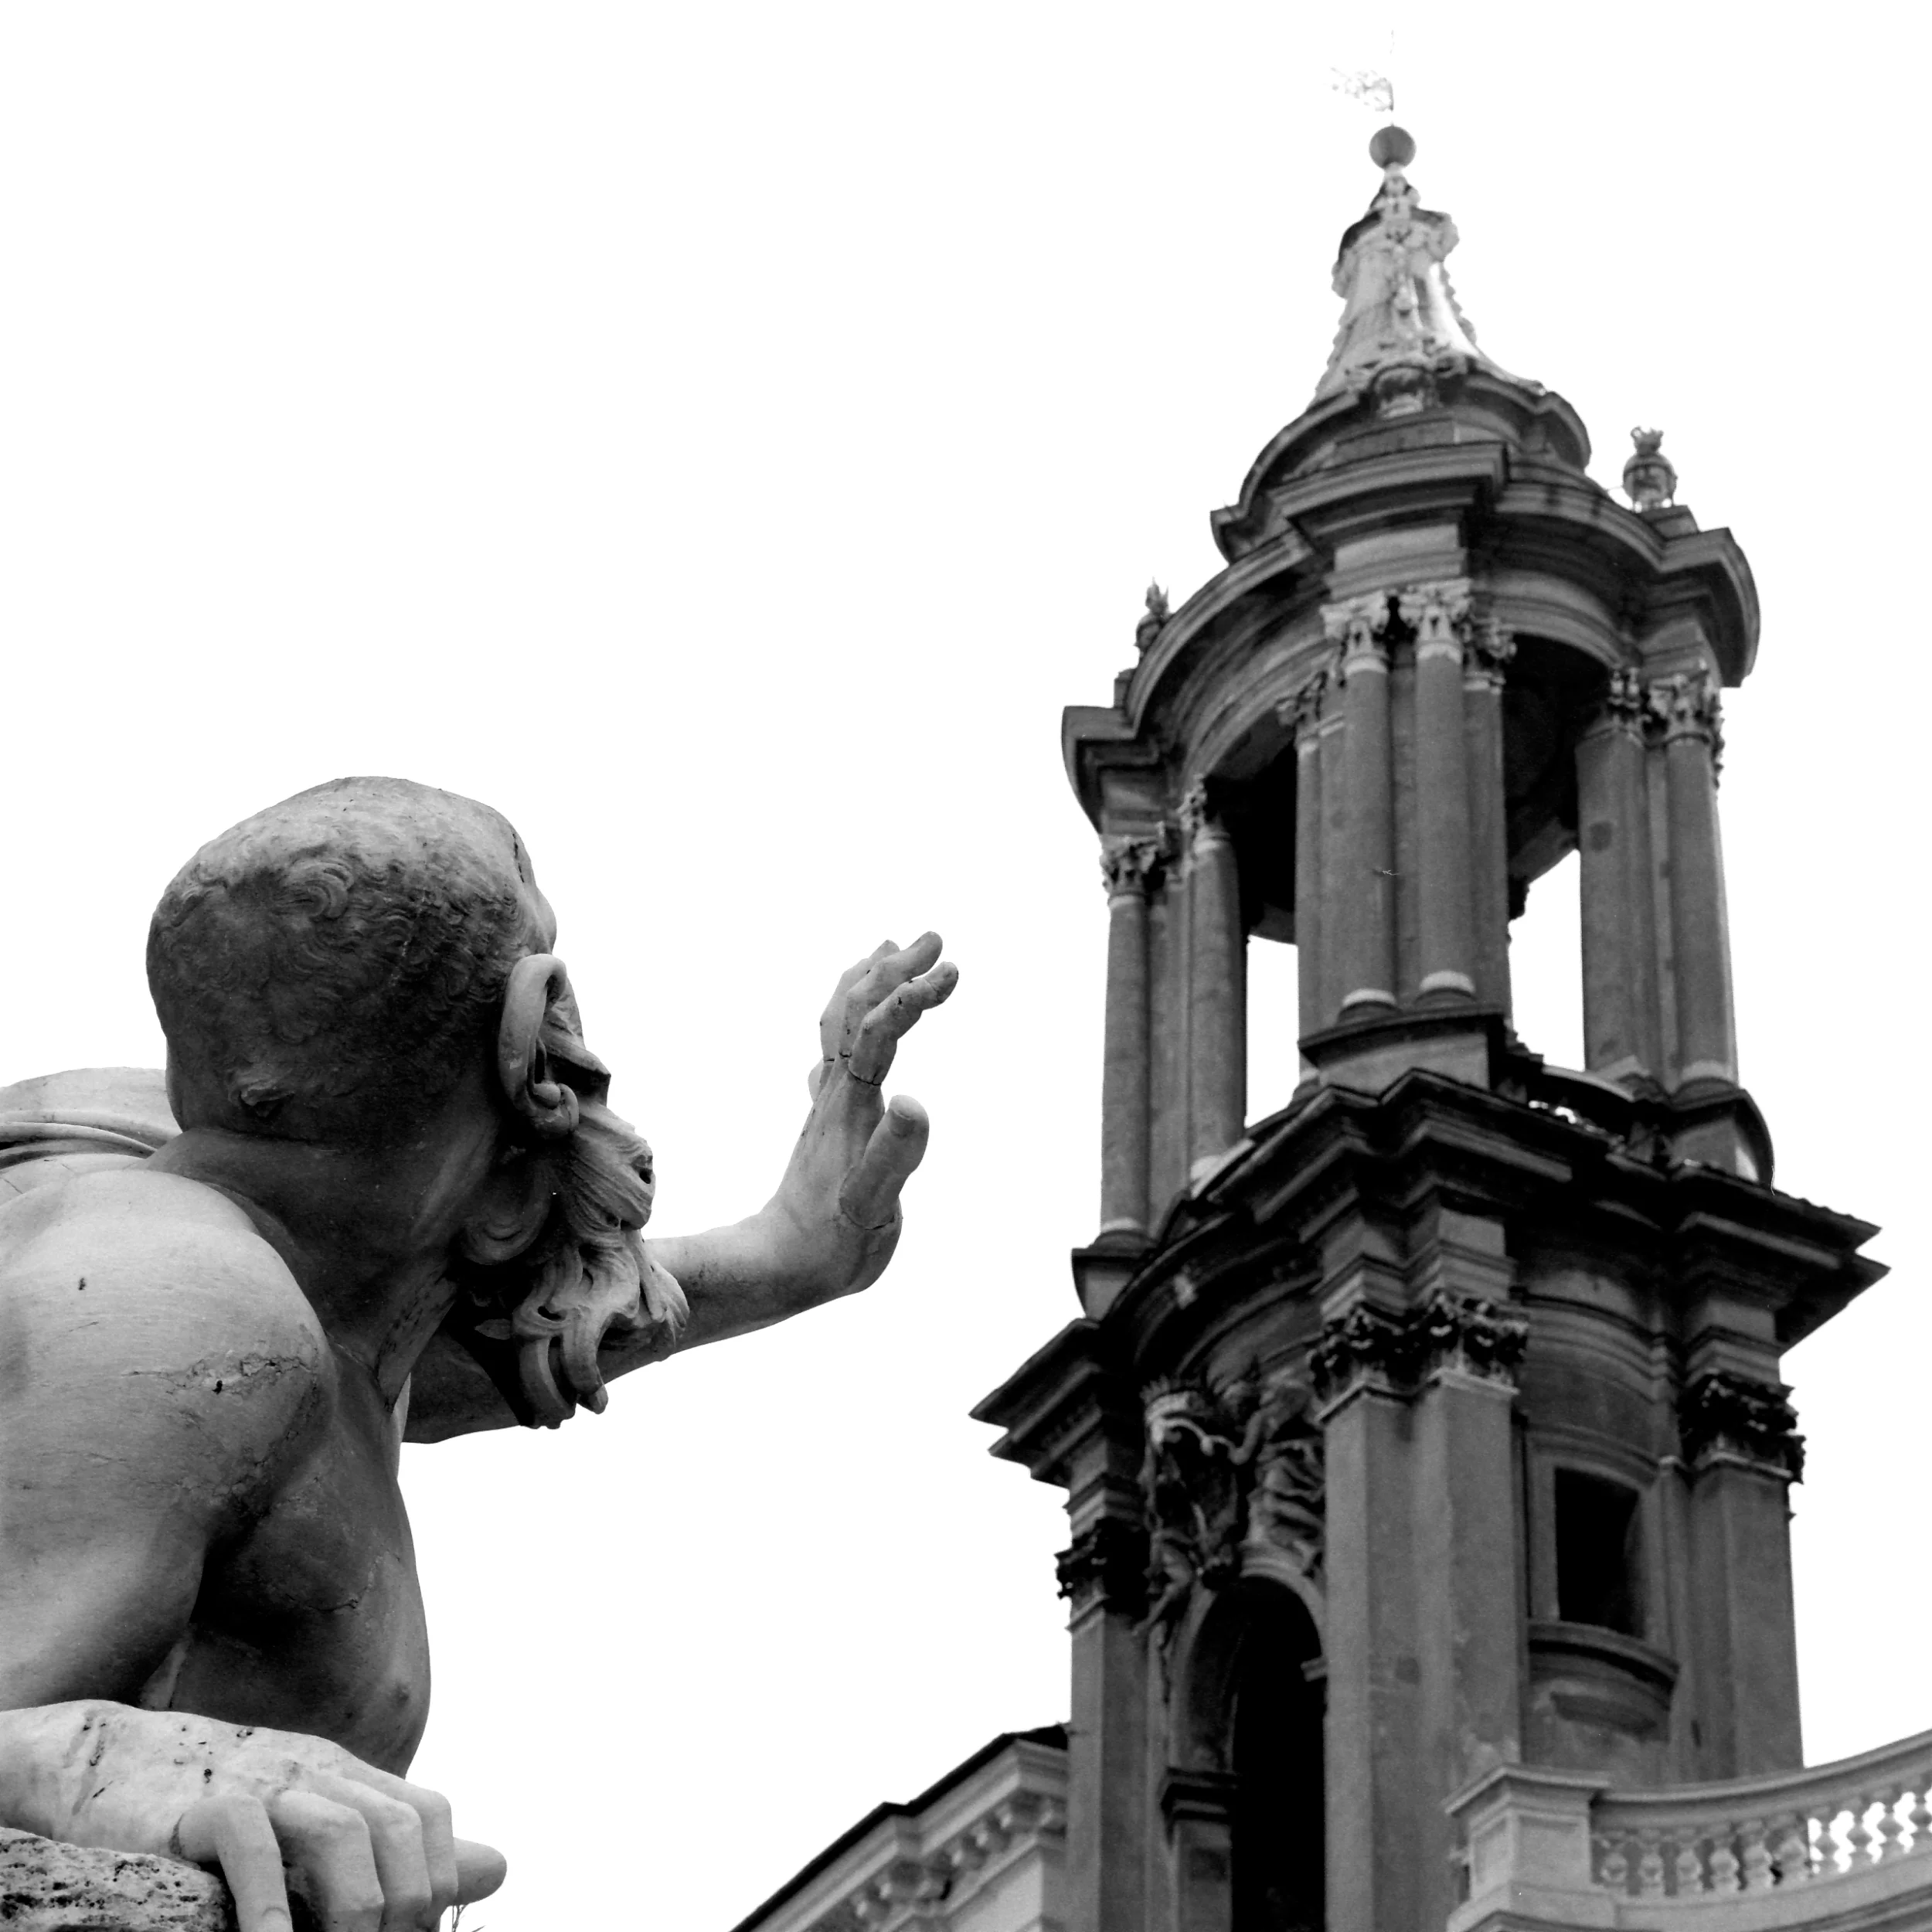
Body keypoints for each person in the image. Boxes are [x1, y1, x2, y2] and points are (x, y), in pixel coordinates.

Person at [0, 777, 956, 1932]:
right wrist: (94, 1762)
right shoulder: (177, 1312)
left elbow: (452, 1344)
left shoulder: (284, 1247)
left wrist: (786, 1256)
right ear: (533, 1025)